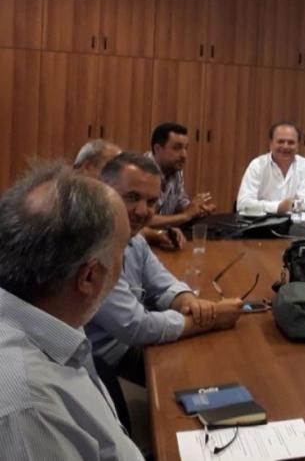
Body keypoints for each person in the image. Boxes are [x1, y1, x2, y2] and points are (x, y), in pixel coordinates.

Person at [0, 163, 143, 460]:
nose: (125, 262)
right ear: (89, 277)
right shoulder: (30, 410)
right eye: (123, 250)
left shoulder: (56, 317)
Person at [86, 153, 242, 385]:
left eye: (151, 202)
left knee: (221, 360)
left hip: (129, 345)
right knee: (199, 377)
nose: (142, 211)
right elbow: (135, 326)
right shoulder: (92, 245)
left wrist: (192, 303)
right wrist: (211, 319)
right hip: (106, 362)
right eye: (132, 197)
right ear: (104, 189)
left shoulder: (136, 239)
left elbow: (163, 284)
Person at [144, 123, 216, 250]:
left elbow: (180, 204)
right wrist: (185, 216)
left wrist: (197, 209)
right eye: (177, 148)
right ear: (157, 149)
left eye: (186, 148)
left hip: (163, 240)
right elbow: (143, 220)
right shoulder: (142, 173)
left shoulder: (175, 170)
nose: (184, 155)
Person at [237, 122, 305, 214]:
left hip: (294, 221)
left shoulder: (304, 165)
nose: (285, 146)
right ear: (271, 144)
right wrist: (278, 207)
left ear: (298, 145)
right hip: (262, 221)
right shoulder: (257, 165)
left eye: (291, 142)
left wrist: (288, 206)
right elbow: (242, 204)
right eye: (280, 141)